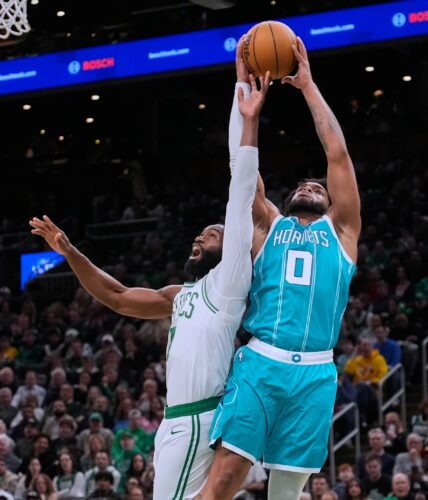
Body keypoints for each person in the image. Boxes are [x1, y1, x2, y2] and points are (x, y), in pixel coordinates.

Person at [29, 59, 270, 499]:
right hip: (176, 420)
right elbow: (117, 296)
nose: (200, 236)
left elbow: (241, 188)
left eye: (212, 234)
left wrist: (244, 106)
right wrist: (70, 252)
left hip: (197, 417)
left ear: (230, 249)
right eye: (200, 233)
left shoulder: (230, 281)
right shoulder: (179, 295)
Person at [201, 35, 361, 500]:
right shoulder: (268, 225)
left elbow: (337, 154)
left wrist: (308, 86)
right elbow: (241, 168)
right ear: (288, 199)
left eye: (318, 186)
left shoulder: (342, 232)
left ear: (330, 200)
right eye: (303, 185)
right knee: (225, 479)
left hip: (316, 373)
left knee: (287, 494)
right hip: (261, 363)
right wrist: (243, 96)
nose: (311, 186)